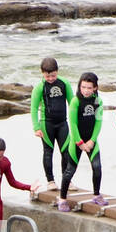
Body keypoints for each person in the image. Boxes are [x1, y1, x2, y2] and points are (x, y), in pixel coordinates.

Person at [60, 71, 107, 211]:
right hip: (76, 141)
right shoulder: (75, 101)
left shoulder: (98, 101)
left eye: (89, 88)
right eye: (83, 87)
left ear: (95, 88)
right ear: (79, 86)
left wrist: (92, 141)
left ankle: (96, 195)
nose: (86, 91)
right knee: (69, 171)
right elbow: (72, 124)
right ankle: (62, 198)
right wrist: (80, 143)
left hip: (91, 141)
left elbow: (98, 122)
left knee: (97, 168)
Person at [30, 57, 74, 191]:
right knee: (48, 152)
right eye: (47, 76)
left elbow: (72, 103)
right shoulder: (39, 87)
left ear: (57, 71)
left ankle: (67, 180)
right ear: (42, 73)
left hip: (62, 123)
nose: (50, 78)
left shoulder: (64, 83)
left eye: (53, 75)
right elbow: (33, 108)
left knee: (66, 152)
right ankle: (50, 181)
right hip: (46, 124)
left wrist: (76, 122)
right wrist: (36, 127)